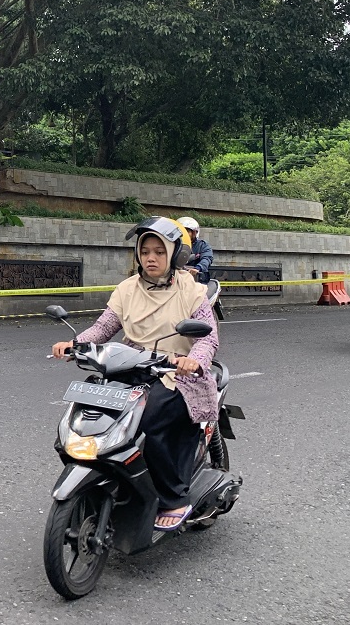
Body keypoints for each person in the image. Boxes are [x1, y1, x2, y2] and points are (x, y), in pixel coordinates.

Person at [52, 216, 219, 531]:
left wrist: (194, 360)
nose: (151, 258)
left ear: (174, 254)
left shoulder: (192, 291)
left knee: (145, 422)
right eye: (145, 252)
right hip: (131, 367)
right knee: (93, 417)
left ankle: (173, 497)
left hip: (176, 374)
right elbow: (105, 327)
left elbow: (207, 337)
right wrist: (76, 344)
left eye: (159, 251)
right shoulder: (127, 289)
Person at [177, 216, 214, 284]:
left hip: (197, 279)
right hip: (177, 278)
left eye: (186, 231)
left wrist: (198, 268)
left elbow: (207, 258)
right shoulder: (174, 245)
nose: (183, 234)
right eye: (181, 231)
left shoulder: (203, 245)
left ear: (194, 233)